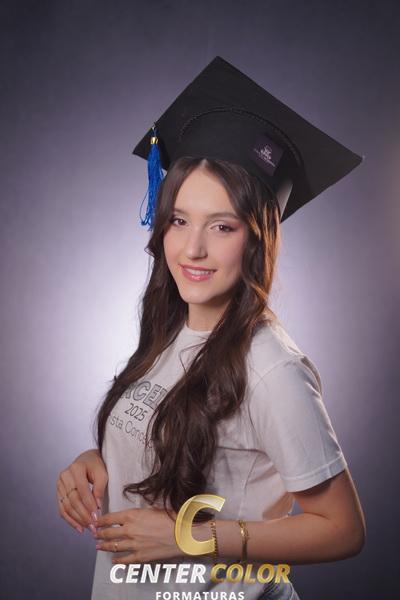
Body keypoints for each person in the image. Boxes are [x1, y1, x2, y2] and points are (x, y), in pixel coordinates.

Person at [56, 56, 366, 600]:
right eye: (179, 220)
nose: (192, 249)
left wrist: (191, 537)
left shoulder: (271, 368)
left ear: (257, 239)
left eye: (222, 226)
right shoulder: (170, 328)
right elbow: (169, 436)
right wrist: (97, 463)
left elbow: (342, 529)